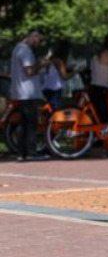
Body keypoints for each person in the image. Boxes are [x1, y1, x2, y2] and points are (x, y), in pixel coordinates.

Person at [9, 30, 52, 161]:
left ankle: (21, 153)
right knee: (31, 124)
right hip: (28, 92)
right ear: (33, 37)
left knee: (24, 124)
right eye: (39, 40)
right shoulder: (25, 50)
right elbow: (29, 71)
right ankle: (31, 152)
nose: (39, 43)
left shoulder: (17, 48)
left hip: (21, 92)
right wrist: (41, 64)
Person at [42, 40, 74, 111]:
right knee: (57, 112)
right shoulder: (59, 61)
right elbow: (64, 76)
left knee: (51, 110)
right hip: (55, 88)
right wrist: (75, 72)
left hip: (47, 87)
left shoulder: (52, 59)